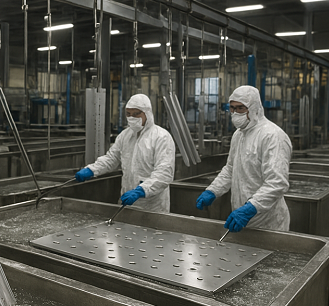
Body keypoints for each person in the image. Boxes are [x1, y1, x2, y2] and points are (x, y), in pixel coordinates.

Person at [195, 85, 292, 232]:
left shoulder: (273, 136)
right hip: (241, 216)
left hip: (267, 221)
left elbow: (277, 182)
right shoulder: (238, 135)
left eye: (241, 108)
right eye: (232, 108)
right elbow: (230, 169)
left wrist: (251, 208)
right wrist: (213, 191)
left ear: (254, 108)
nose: (235, 113)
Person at [74, 94, 175, 213]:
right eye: (128, 114)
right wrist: (92, 170)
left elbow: (164, 174)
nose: (132, 117)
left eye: (136, 114)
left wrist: (141, 191)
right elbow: (111, 159)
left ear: (147, 113)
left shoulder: (161, 137)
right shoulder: (125, 136)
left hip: (152, 206)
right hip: (126, 202)